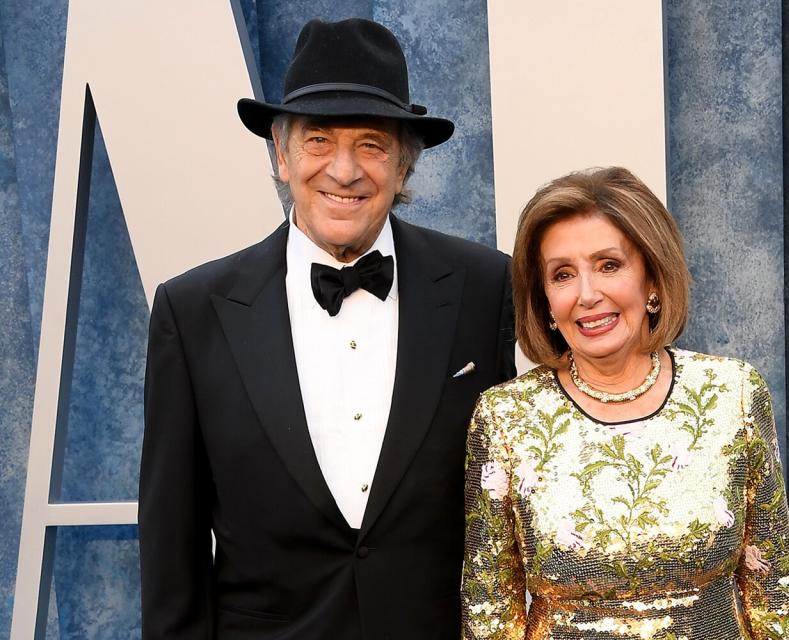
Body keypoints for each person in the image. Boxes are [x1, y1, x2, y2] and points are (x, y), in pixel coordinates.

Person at [139, 17, 515, 640]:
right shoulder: (193, 310)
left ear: (403, 168)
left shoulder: (484, 286)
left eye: (371, 144)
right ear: (282, 157)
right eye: (318, 141)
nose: (344, 170)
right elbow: (171, 544)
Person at [461, 167, 789, 639]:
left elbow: (774, 591)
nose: (587, 295)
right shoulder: (506, 417)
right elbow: (489, 612)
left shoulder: (734, 394)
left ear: (652, 281)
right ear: (544, 301)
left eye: (609, 265)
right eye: (563, 275)